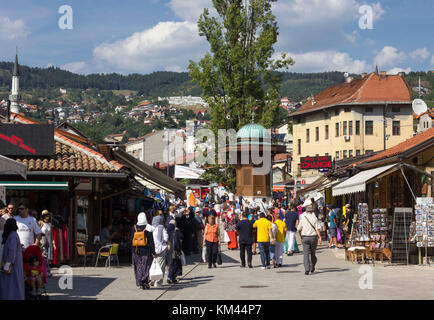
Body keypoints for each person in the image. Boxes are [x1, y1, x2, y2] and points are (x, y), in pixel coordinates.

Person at [0, 218, 25, 300]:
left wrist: (7, 264)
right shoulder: (14, 234)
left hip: (12, 265)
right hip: (15, 264)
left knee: (11, 284)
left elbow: (11, 251)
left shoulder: (12, 236)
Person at [132, 212, 156, 290]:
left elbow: (131, 239)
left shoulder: (134, 227)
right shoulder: (148, 227)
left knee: (138, 267)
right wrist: (153, 252)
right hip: (146, 251)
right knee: (146, 266)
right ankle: (144, 281)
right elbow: (151, 241)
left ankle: (139, 282)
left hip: (136, 251)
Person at [297, 205, 322, 275]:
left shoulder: (303, 219)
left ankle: (307, 269)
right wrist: (320, 237)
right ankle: (312, 266)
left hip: (305, 237)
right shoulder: (315, 218)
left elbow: (298, 229)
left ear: (306, 211)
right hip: (313, 237)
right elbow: (317, 229)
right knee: (313, 253)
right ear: (312, 211)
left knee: (306, 254)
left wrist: (301, 237)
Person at [150, 215, 168, 287]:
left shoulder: (150, 228)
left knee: (154, 265)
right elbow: (166, 237)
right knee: (161, 266)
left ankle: (152, 280)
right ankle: (158, 282)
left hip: (152, 249)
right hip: (160, 248)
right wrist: (163, 241)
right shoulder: (161, 227)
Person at [38, 210, 55, 277]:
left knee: (48, 257)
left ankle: (47, 270)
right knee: (43, 256)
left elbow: (52, 234)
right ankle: (43, 271)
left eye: (48, 215)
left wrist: (53, 242)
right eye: (46, 215)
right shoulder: (40, 223)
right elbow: (37, 233)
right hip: (42, 241)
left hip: (48, 241)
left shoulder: (50, 224)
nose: (47, 216)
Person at [167, 218, 183, 284]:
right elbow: (178, 241)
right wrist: (179, 250)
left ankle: (171, 277)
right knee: (174, 264)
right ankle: (170, 277)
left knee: (171, 264)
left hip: (168, 251)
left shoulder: (166, 231)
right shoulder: (175, 233)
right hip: (174, 251)